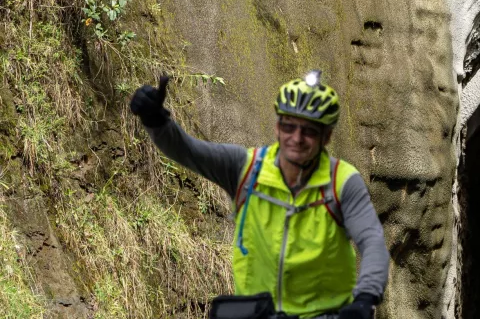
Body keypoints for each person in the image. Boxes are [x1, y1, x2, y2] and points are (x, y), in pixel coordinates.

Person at [129, 70, 389, 319]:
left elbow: (372, 240)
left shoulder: (341, 182)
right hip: (255, 312)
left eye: (309, 130)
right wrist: (156, 121)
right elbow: (188, 150)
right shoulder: (246, 168)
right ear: (277, 127)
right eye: (289, 126)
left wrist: (365, 298)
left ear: (327, 136)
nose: (296, 138)